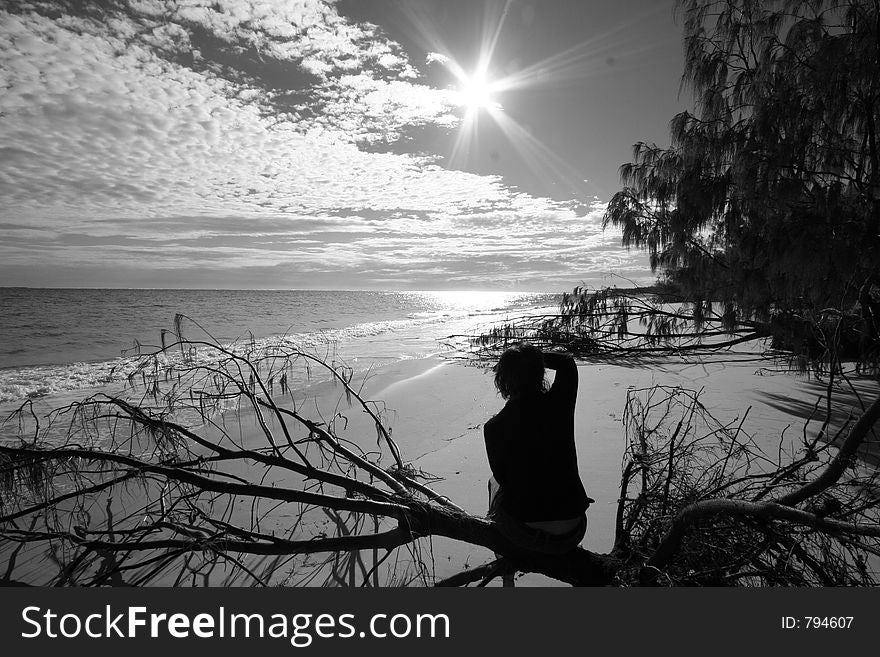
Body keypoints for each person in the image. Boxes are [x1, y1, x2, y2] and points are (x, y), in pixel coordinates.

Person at [483, 343, 592, 570]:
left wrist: (516, 360)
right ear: (540, 373)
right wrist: (529, 358)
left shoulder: (493, 427)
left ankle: (503, 557)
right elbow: (566, 362)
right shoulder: (560, 403)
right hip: (573, 529)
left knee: (494, 484)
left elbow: (503, 479)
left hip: (524, 534)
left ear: (503, 382)